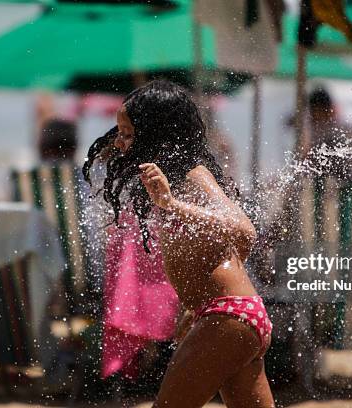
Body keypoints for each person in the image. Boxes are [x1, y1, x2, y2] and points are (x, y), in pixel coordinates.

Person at [83, 80, 274, 407]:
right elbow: (233, 250)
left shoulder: (192, 174)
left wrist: (172, 205)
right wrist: (196, 306)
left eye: (128, 133)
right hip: (235, 316)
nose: (120, 142)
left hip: (227, 317)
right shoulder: (171, 176)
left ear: (156, 131)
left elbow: (243, 230)